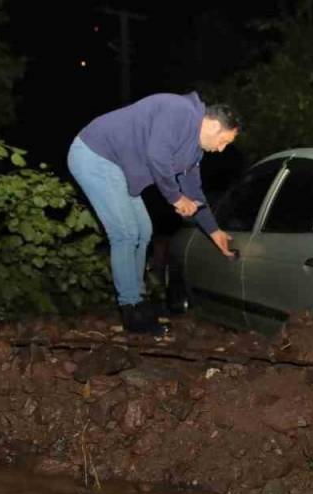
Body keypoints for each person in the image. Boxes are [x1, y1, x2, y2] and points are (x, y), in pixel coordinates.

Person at [68, 91, 239, 335]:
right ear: (212, 125)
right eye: (224, 141)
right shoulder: (179, 111)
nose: (221, 150)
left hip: (119, 167)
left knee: (143, 231)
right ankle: (131, 309)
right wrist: (175, 197)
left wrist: (214, 231)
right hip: (95, 155)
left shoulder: (194, 152)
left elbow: (194, 192)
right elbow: (157, 155)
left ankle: (138, 301)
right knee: (126, 233)